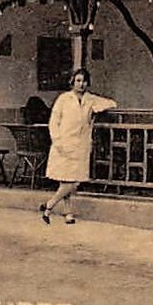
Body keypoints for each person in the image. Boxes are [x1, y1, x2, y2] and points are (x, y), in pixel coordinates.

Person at [40, 68, 116, 224]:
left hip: (81, 145)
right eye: (78, 81)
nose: (81, 84)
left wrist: (96, 109)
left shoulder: (90, 99)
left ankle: (51, 207)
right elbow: (53, 122)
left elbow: (111, 103)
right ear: (73, 82)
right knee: (69, 181)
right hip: (64, 144)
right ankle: (58, 210)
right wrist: (58, 141)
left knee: (73, 180)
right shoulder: (63, 99)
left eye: (84, 81)